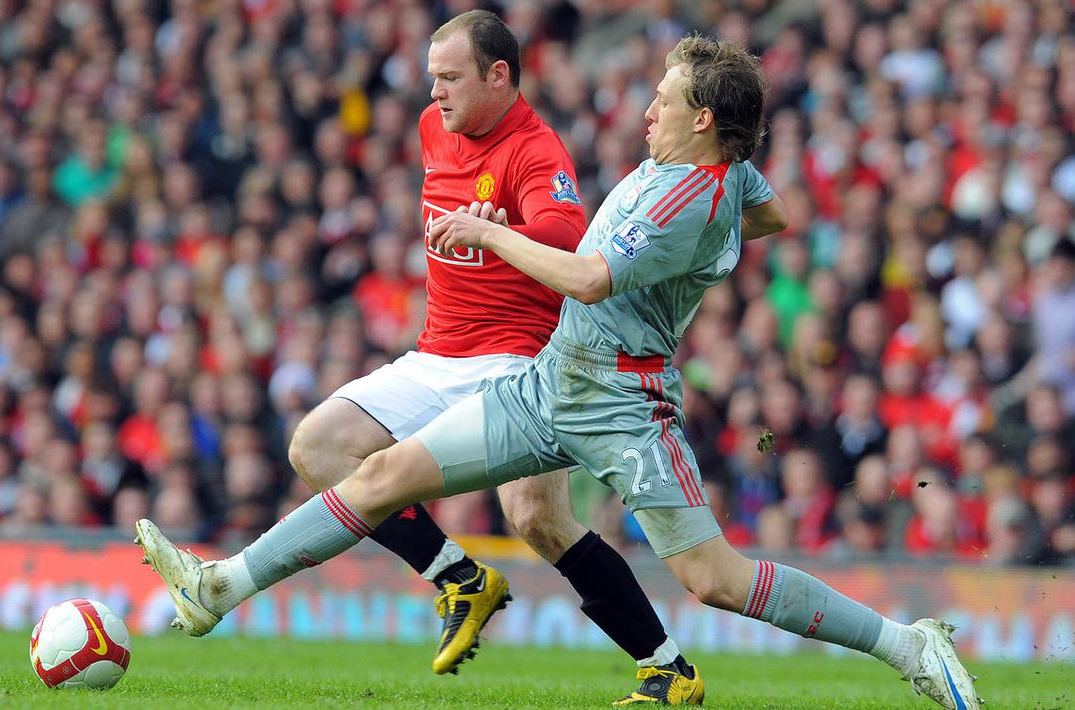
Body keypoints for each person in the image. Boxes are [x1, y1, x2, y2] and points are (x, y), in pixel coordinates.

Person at [137, 36, 981, 709]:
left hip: (621, 404)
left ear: (702, 123)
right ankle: (219, 588)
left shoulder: (683, 200)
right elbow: (773, 211)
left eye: (665, 99)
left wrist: (487, 233)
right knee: (386, 473)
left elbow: (583, 276)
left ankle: (906, 644)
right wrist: (710, 253)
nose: (647, 108)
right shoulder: (719, 174)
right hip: (551, 386)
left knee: (714, 580)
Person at [288, 9, 679, 688]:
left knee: (536, 517)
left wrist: (499, 231)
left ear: (498, 76)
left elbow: (565, 235)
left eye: (449, 78)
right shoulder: (430, 129)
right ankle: (457, 577)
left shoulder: (536, 148)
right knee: (317, 448)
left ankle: (667, 667)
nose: (434, 92)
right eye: (431, 77)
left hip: (520, 358)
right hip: (437, 352)